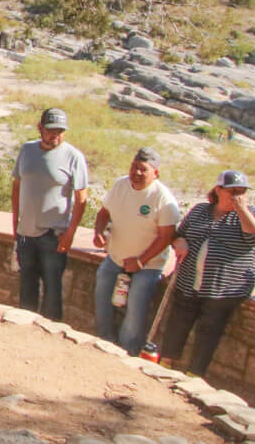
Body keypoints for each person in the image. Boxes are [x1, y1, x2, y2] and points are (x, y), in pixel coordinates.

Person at [160, 170, 255, 376]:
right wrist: (179, 241)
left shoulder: (249, 215)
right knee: (178, 321)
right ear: (218, 190)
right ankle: (165, 363)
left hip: (223, 289)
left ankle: (195, 374)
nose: (238, 196)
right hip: (189, 281)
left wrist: (242, 210)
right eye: (233, 191)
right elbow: (178, 234)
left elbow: (254, 234)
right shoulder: (200, 210)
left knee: (208, 330)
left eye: (242, 191)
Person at [93, 147, 180, 355]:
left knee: (135, 308)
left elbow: (165, 237)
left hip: (147, 266)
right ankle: (103, 341)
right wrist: (98, 232)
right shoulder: (120, 185)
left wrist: (140, 261)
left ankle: (127, 351)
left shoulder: (164, 200)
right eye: (134, 167)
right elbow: (104, 212)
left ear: (155, 173)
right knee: (101, 295)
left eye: (143, 169)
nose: (137, 173)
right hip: (115, 258)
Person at [11, 108, 89, 321]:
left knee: (52, 288)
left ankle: (50, 332)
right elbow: (17, 187)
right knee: (27, 284)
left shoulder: (74, 157)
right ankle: (24, 329)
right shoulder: (27, 150)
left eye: (60, 131)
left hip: (53, 235)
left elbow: (82, 198)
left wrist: (70, 233)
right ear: (40, 128)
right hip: (26, 232)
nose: (55, 135)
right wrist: (15, 224)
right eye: (50, 130)